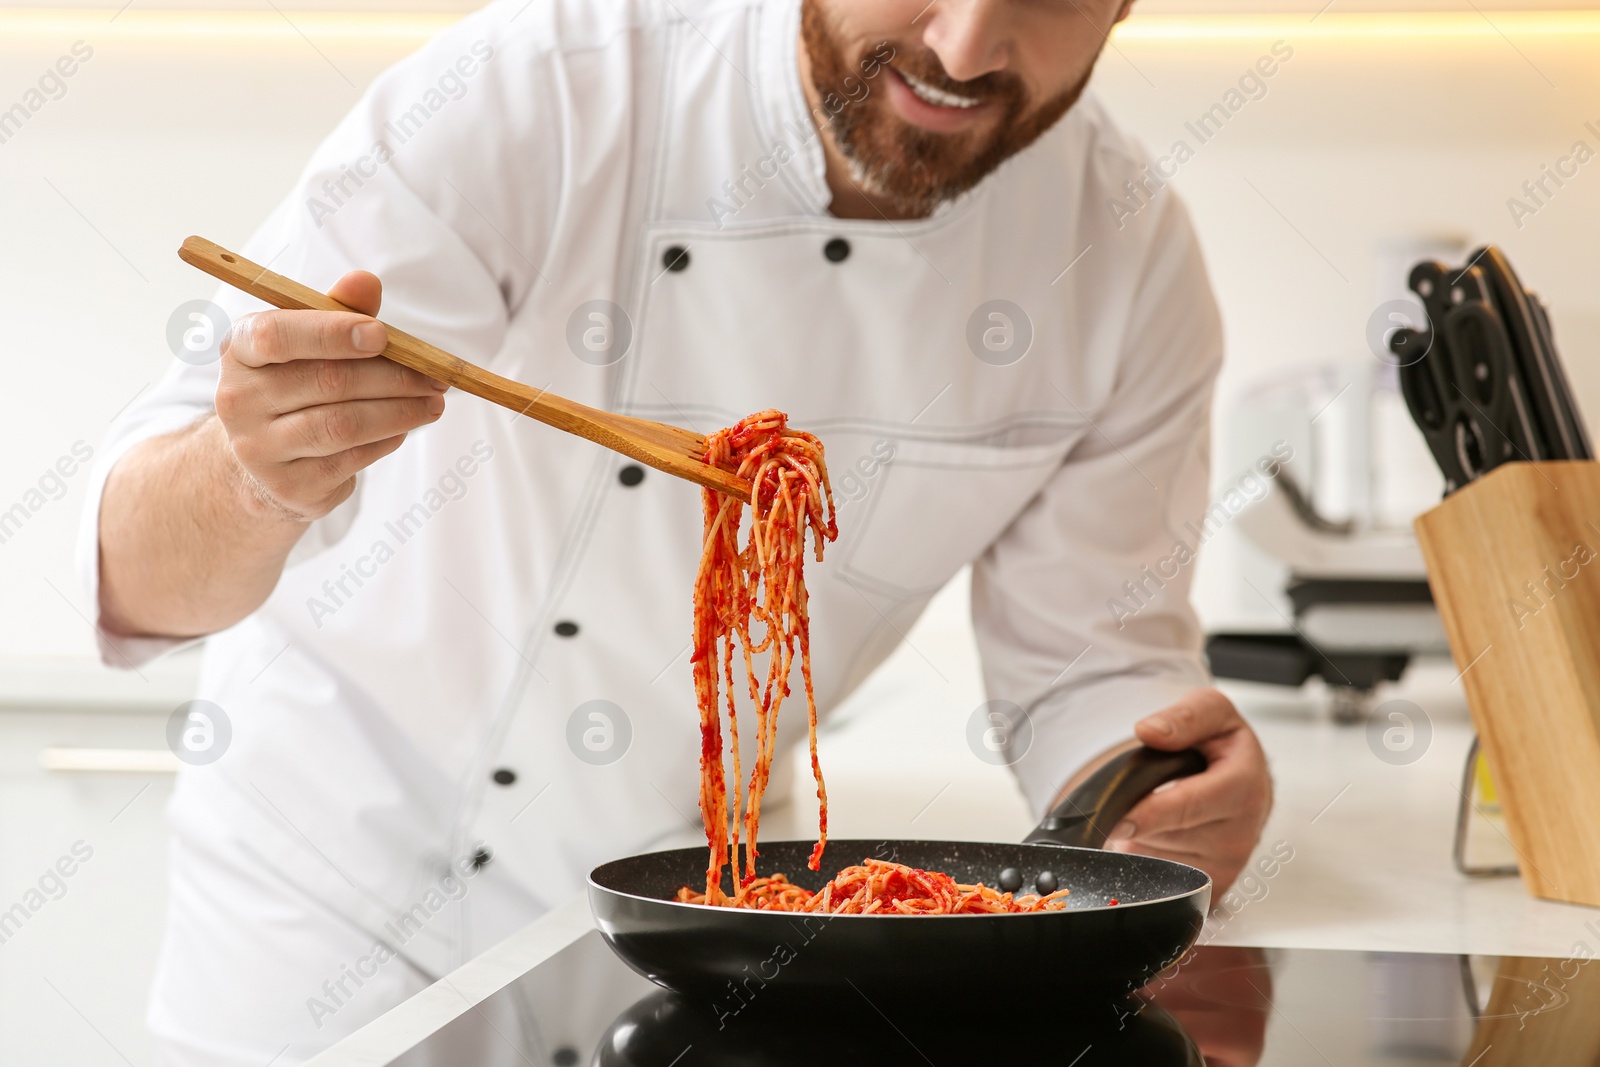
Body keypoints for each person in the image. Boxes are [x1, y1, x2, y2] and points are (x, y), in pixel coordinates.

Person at [82, 0, 1272, 1061]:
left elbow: (1094, 668)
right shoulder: (541, 87)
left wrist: (1157, 790)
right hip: (333, 905)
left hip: (712, 923)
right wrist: (251, 472)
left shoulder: (1125, 263)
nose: (964, 44)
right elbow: (136, 577)